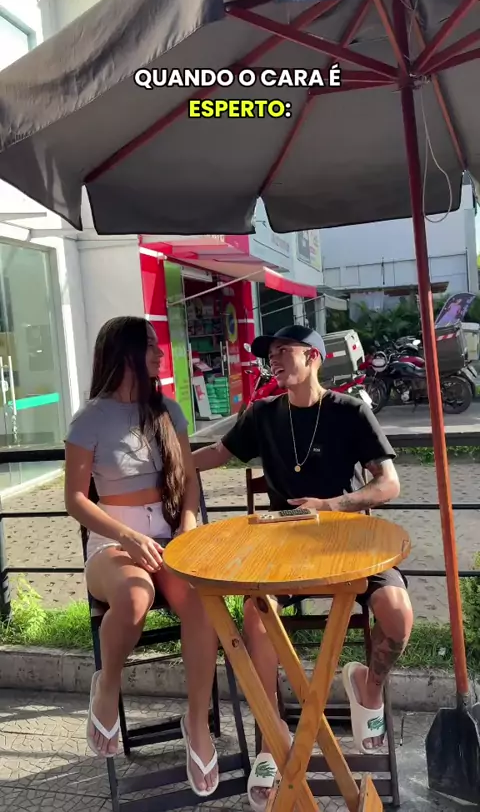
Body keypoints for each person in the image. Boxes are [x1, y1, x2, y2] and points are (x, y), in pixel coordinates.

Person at [193, 324, 413, 812]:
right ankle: (273, 739)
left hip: (350, 542)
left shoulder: (350, 411)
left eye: (283, 350)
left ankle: (368, 686)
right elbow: (218, 453)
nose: (273, 359)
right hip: (283, 549)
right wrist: (171, 464)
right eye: (269, 353)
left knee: (397, 614)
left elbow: (389, 484)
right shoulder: (262, 414)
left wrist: (333, 504)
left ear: (313, 357)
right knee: (255, 616)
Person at [64, 316, 219, 797]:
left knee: (201, 602)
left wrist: (188, 527)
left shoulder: (167, 410)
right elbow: (75, 499)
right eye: (150, 346)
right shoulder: (90, 418)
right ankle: (108, 682)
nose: (159, 353)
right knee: (134, 598)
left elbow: (188, 479)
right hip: (113, 543)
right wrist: (127, 538)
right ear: (125, 353)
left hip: (170, 538)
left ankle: (196, 722)